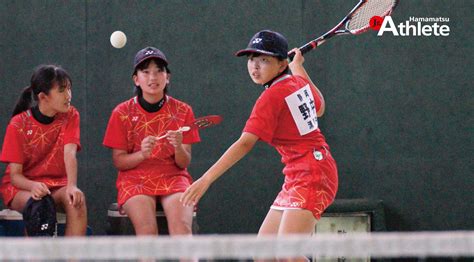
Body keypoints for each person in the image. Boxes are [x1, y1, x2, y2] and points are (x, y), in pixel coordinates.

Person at [181, 30, 338, 239]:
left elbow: (245, 143)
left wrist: (206, 179)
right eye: (252, 59)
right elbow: (319, 106)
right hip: (300, 173)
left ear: (281, 64)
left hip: (312, 173)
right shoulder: (295, 82)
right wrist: (298, 67)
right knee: (264, 251)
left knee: (287, 254)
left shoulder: (271, 96)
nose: (254, 66)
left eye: (264, 60)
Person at [103, 46, 200, 236]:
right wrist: (142, 154)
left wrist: (178, 146)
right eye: (145, 72)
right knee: (147, 232)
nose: (152, 78)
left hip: (174, 179)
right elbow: (119, 161)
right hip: (134, 180)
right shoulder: (121, 112)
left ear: (167, 77)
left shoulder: (183, 111)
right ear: (136, 79)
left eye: (158, 71)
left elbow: (184, 163)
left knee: (183, 230)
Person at [0, 64, 87, 236]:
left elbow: (69, 154)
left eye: (69, 89)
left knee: (76, 202)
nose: (68, 95)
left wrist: (72, 186)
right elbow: (15, 176)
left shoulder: (71, 115)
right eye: (62, 90)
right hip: (22, 188)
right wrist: (33, 186)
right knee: (39, 207)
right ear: (43, 97)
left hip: (56, 185)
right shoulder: (18, 124)